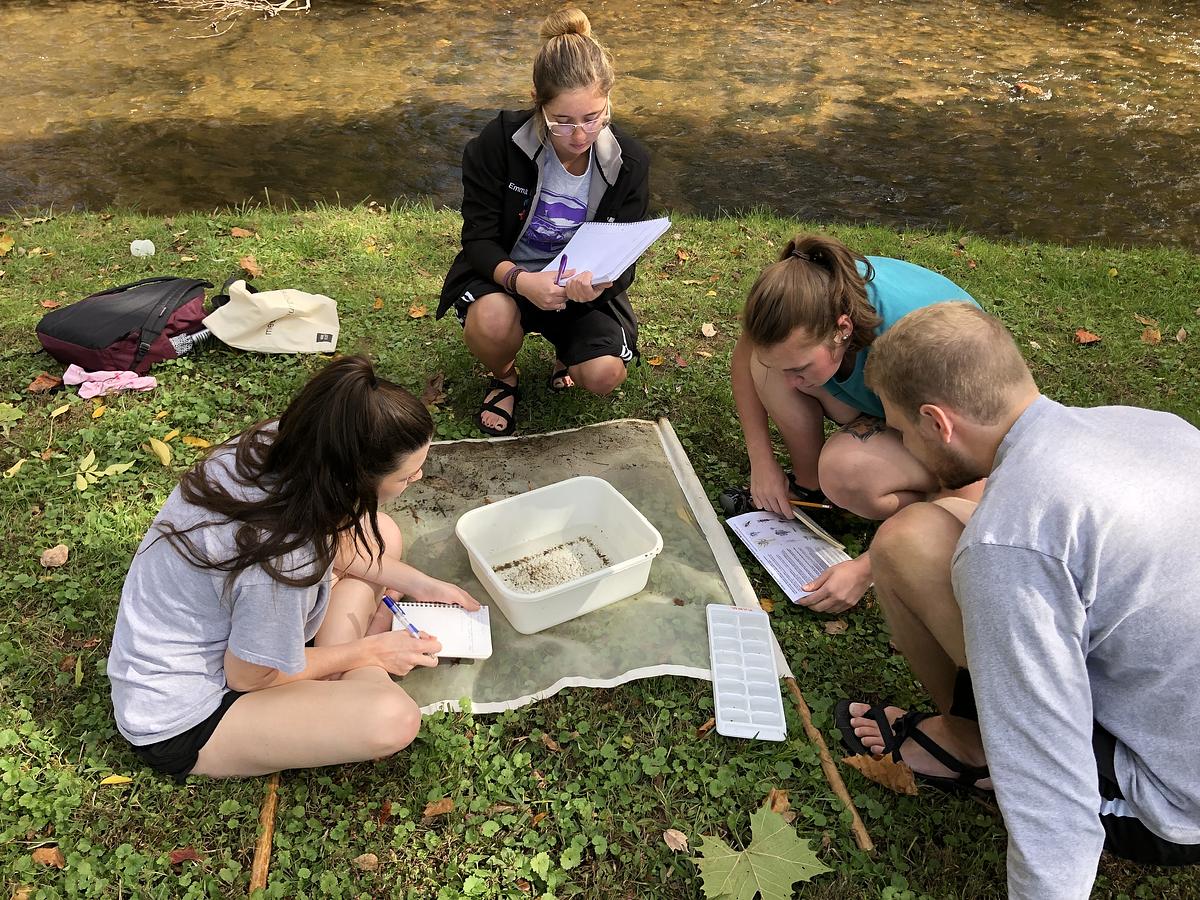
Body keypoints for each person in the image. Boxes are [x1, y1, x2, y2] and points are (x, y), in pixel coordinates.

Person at [836, 302, 1200, 898]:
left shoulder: (1010, 541)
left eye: (902, 431)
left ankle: (972, 748)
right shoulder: (1150, 425)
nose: (905, 445)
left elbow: (1048, 782)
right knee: (911, 540)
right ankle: (964, 736)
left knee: (1025, 713)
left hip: (1172, 801)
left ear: (938, 422)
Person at [106, 356, 480, 780]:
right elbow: (249, 676)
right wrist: (371, 653)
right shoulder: (285, 558)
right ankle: (356, 668)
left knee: (382, 534)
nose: (416, 479)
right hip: (192, 712)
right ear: (351, 481)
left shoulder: (280, 443)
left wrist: (420, 582)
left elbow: (332, 541)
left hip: (238, 627)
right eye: (408, 477)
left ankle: (346, 666)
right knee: (392, 718)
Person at [730, 233, 980, 612]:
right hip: (894, 398)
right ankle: (809, 490)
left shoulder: (918, 350)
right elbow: (746, 359)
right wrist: (760, 459)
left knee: (849, 472)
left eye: (800, 368)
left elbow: (974, 480)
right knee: (766, 371)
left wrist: (868, 567)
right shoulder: (798, 301)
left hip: (958, 425)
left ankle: (922, 511)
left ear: (843, 329)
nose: (789, 383)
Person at [438, 7, 651, 437]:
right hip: (506, 277)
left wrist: (600, 282)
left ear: (609, 99)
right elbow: (477, 239)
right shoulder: (496, 144)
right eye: (562, 122)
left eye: (593, 118)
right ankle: (504, 375)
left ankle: (566, 352)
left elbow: (625, 258)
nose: (579, 136)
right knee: (493, 320)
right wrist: (521, 281)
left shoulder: (630, 161)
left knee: (605, 374)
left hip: (579, 287)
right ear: (538, 100)